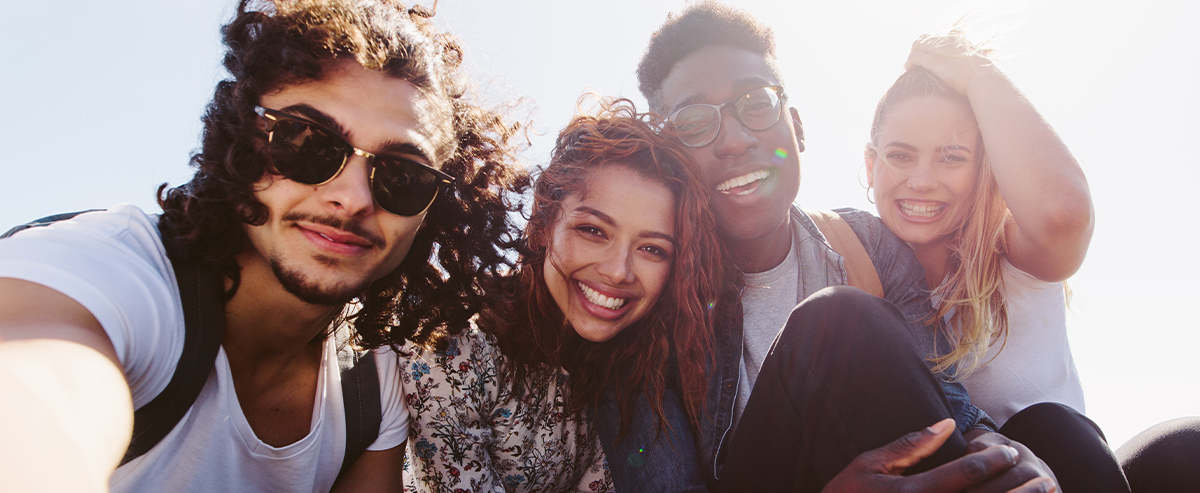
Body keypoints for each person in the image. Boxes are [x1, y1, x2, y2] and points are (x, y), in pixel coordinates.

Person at [0, 0, 528, 491]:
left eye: (403, 176)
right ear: (241, 144)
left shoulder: (371, 385)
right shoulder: (111, 273)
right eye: (305, 143)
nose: (352, 197)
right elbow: (35, 389)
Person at [594, 3, 1059, 492]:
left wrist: (991, 444)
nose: (733, 140)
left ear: (796, 128)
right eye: (692, 122)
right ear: (667, 158)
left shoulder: (868, 244)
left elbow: (943, 402)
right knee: (836, 322)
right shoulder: (642, 305)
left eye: (755, 103)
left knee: (1057, 434)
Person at [401, 101, 734, 493]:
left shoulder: (633, 371)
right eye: (593, 230)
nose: (618, 270)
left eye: (652, 249)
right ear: (544, 224)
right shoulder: (451, 338)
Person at [863, 33, 1131, 492]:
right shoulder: (859, 263)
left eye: (951, 158)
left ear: (983, 167)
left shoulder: (1012, 252)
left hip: (1069, 470)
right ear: (870, 167)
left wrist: (976, 73)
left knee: (1058, 429)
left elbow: (1062, 217)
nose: (922, 180)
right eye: (900, 156)